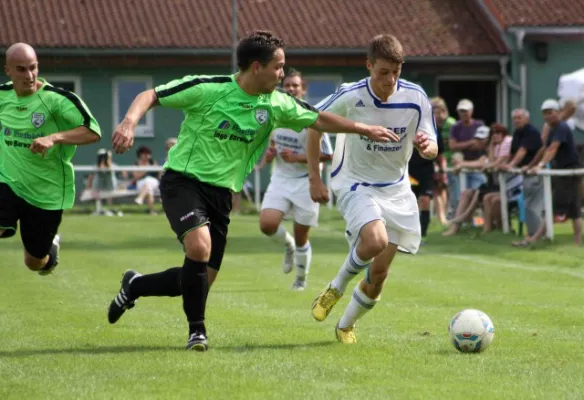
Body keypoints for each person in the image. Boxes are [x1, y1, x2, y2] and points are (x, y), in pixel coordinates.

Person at [107, 30, 398, 352]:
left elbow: (319, 120)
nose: (283, 74)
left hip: (221, 197)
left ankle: (134, 285)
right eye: (279, 67)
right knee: (199, 248)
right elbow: (150, 95)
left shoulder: (276, 104)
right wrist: (129, 123)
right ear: (257, 67)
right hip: (183, 182)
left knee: (198, 280)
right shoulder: (209, 88)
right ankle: (197, 332)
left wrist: (364, 128)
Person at [307, 34, 437, 344]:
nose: (390, 79)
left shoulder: (416, 97)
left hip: (396, 190)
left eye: (396, 72)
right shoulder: (350, 96)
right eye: (383, 72)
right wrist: (315, 176)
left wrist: (425, 147)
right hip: (356, 183)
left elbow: (432, 147)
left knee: (378, 277)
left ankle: (346, 325)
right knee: (375, 240)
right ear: (369, 66)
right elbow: (311, 122)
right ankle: (335, 288)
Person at [0, 43, 101, 274]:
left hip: (46, 191)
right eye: (21, 69)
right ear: (8, 71)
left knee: (34, 262)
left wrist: (54, 138)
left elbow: (93, 131)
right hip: (7, 181)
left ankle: (50, 251)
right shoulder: (2, 96)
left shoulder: (57, 100)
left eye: (33, 68)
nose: (29, 75)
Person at [258, 69, 333, 291]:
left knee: (302, 236)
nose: (290, 89)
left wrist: (298, 157)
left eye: (295, 86)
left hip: (305, 181)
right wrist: (269, 155)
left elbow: (329, 154)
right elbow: (272, 143)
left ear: (304, 89)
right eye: (287, 85)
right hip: (281, 178)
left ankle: (300, 280)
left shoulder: (311, 116)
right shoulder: (276, 113)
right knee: (267, 225)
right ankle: (287, 246)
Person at [408, 99, 445, 243]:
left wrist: (442, 172)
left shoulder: (434, 131)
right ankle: (408, 234)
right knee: (411, 202)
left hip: (426, 171)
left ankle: (421, 235)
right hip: (410, 171)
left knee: (424, 200)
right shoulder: (409, 126)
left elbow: (440, 154)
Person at [431, 97, 455, 225]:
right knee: (438, 189)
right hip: (439, 161)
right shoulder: (432, 125)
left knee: (442, 189)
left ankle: (442, 216)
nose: (437, 115)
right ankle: (441, 216)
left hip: (445, 161)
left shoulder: (450, 124)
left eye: (439, 111)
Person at [132, 145, 160, 215]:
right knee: (148, 186)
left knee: (148, 182)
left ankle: (140, 198)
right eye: (144, 154)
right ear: (140, 155)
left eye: (148, 153)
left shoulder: (153, 162)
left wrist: (153, 167)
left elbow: (159, 174)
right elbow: (136, 177)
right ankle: (152, 210)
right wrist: (145, 169)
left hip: (154, 183)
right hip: (141, 184)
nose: (146, 155)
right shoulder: (136, 164)